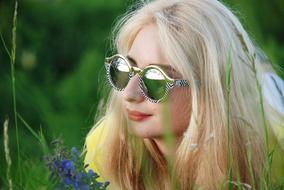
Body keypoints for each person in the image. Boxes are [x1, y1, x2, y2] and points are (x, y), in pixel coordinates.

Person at [84, 0, 284, 189]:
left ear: (209, 88)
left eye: (156, 80)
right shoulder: (105, 148)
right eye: (125, 69)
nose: (129, 94)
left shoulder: (273, 155)